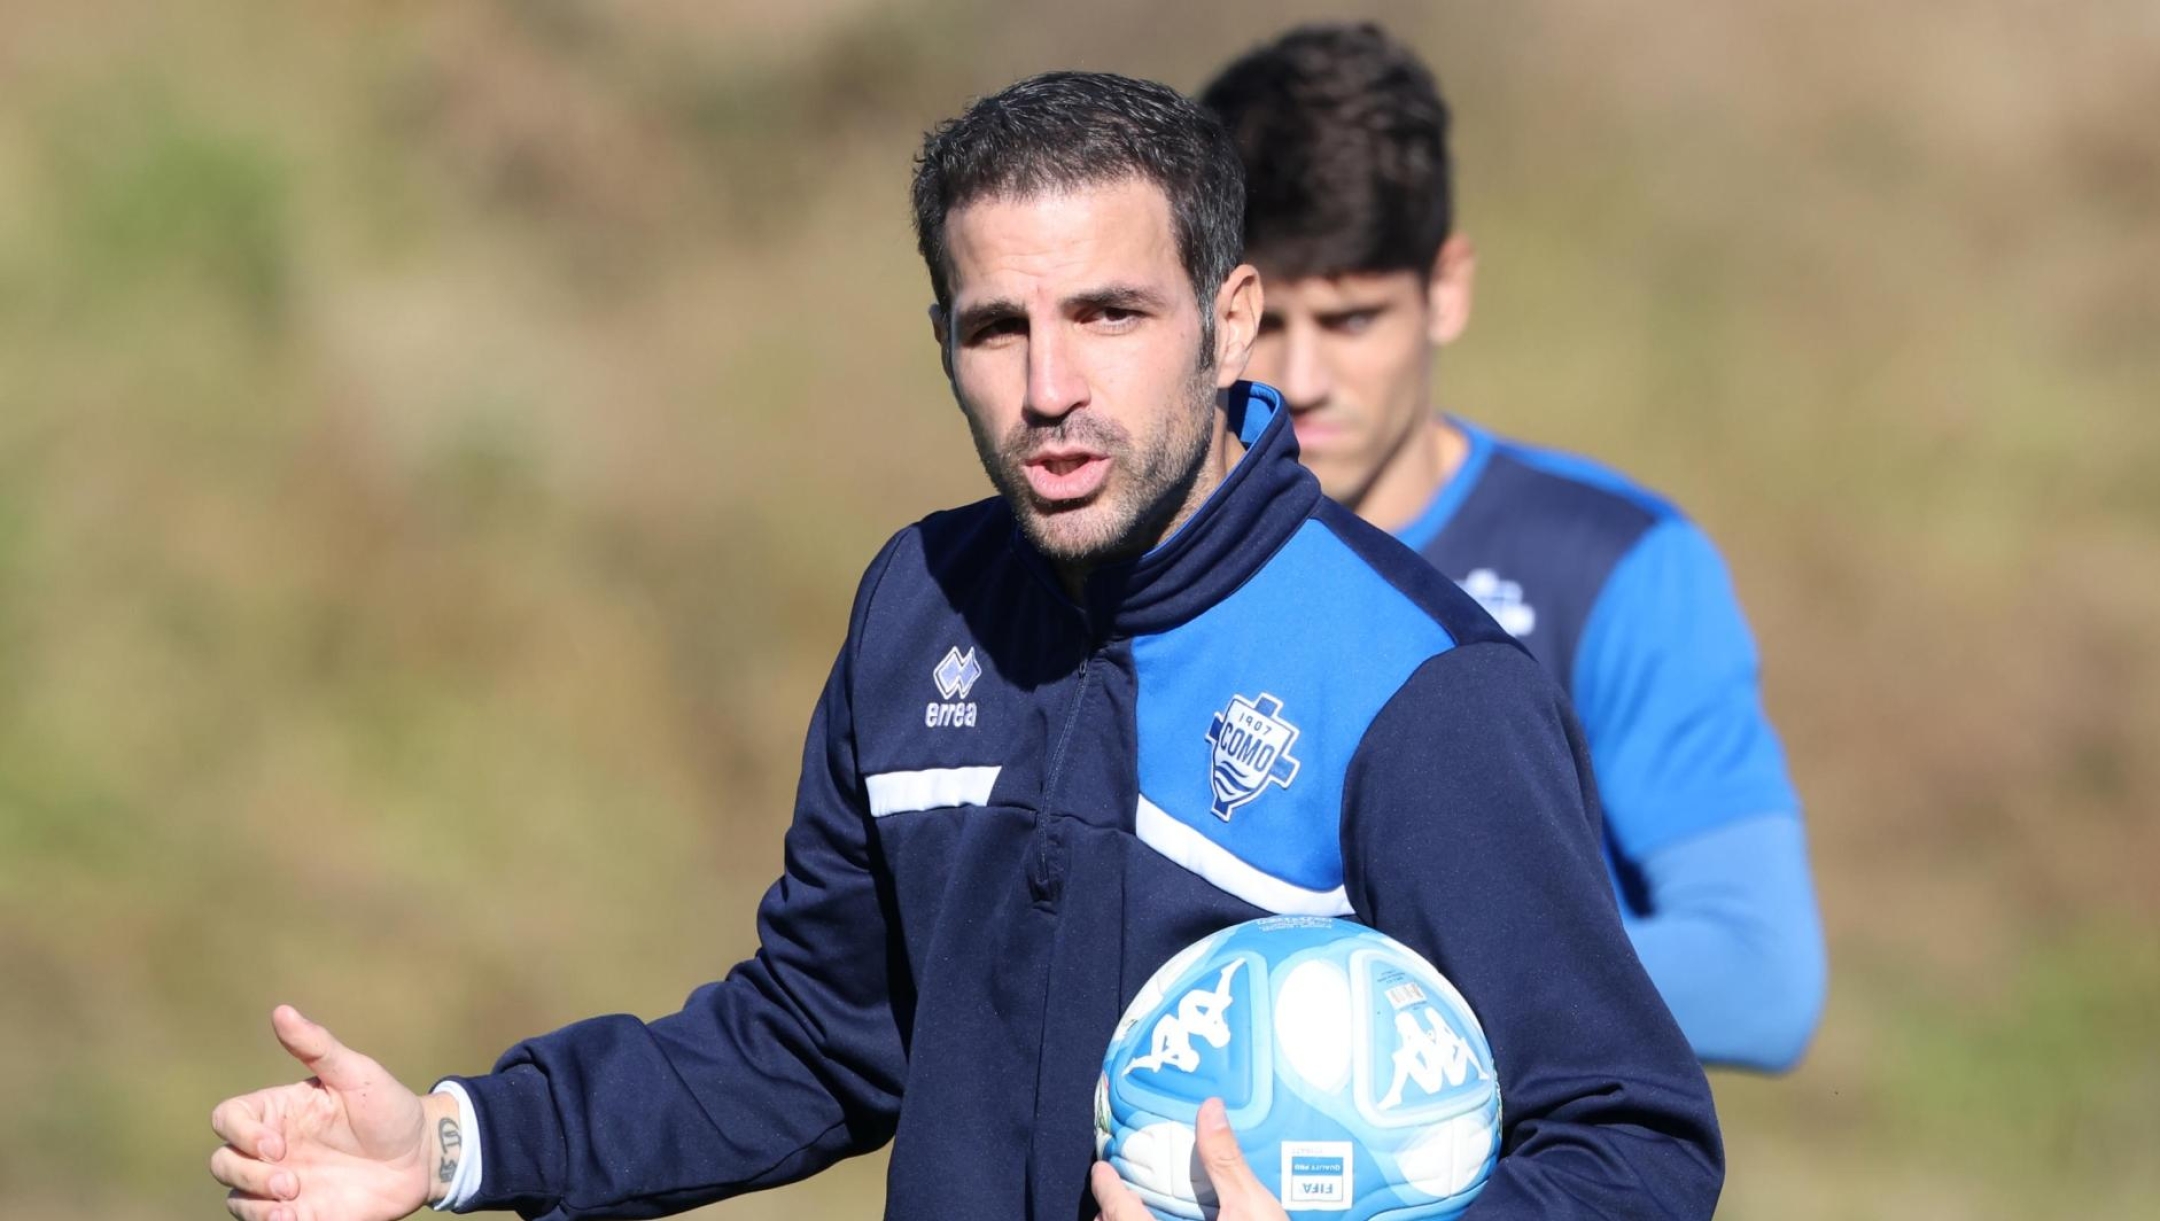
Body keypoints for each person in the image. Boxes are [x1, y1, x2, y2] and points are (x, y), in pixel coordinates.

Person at [208, 71, 1722, 1221]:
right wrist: (465, 1142)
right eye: (995, 326)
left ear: (1230, 319)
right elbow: (816, 1034)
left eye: (1112, 313)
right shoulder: (916, 604)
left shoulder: (1415, 684)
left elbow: (1634, 1142)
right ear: (940, 337)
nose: (1051, 385)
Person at [1199, 22, 1828, 1073]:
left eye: (1353, 319)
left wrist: (1356, 977)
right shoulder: (1120, 563)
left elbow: (1761, 978)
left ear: (1446, 289)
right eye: (1266, 319)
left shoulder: (1611, 566)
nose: (1301, 375)